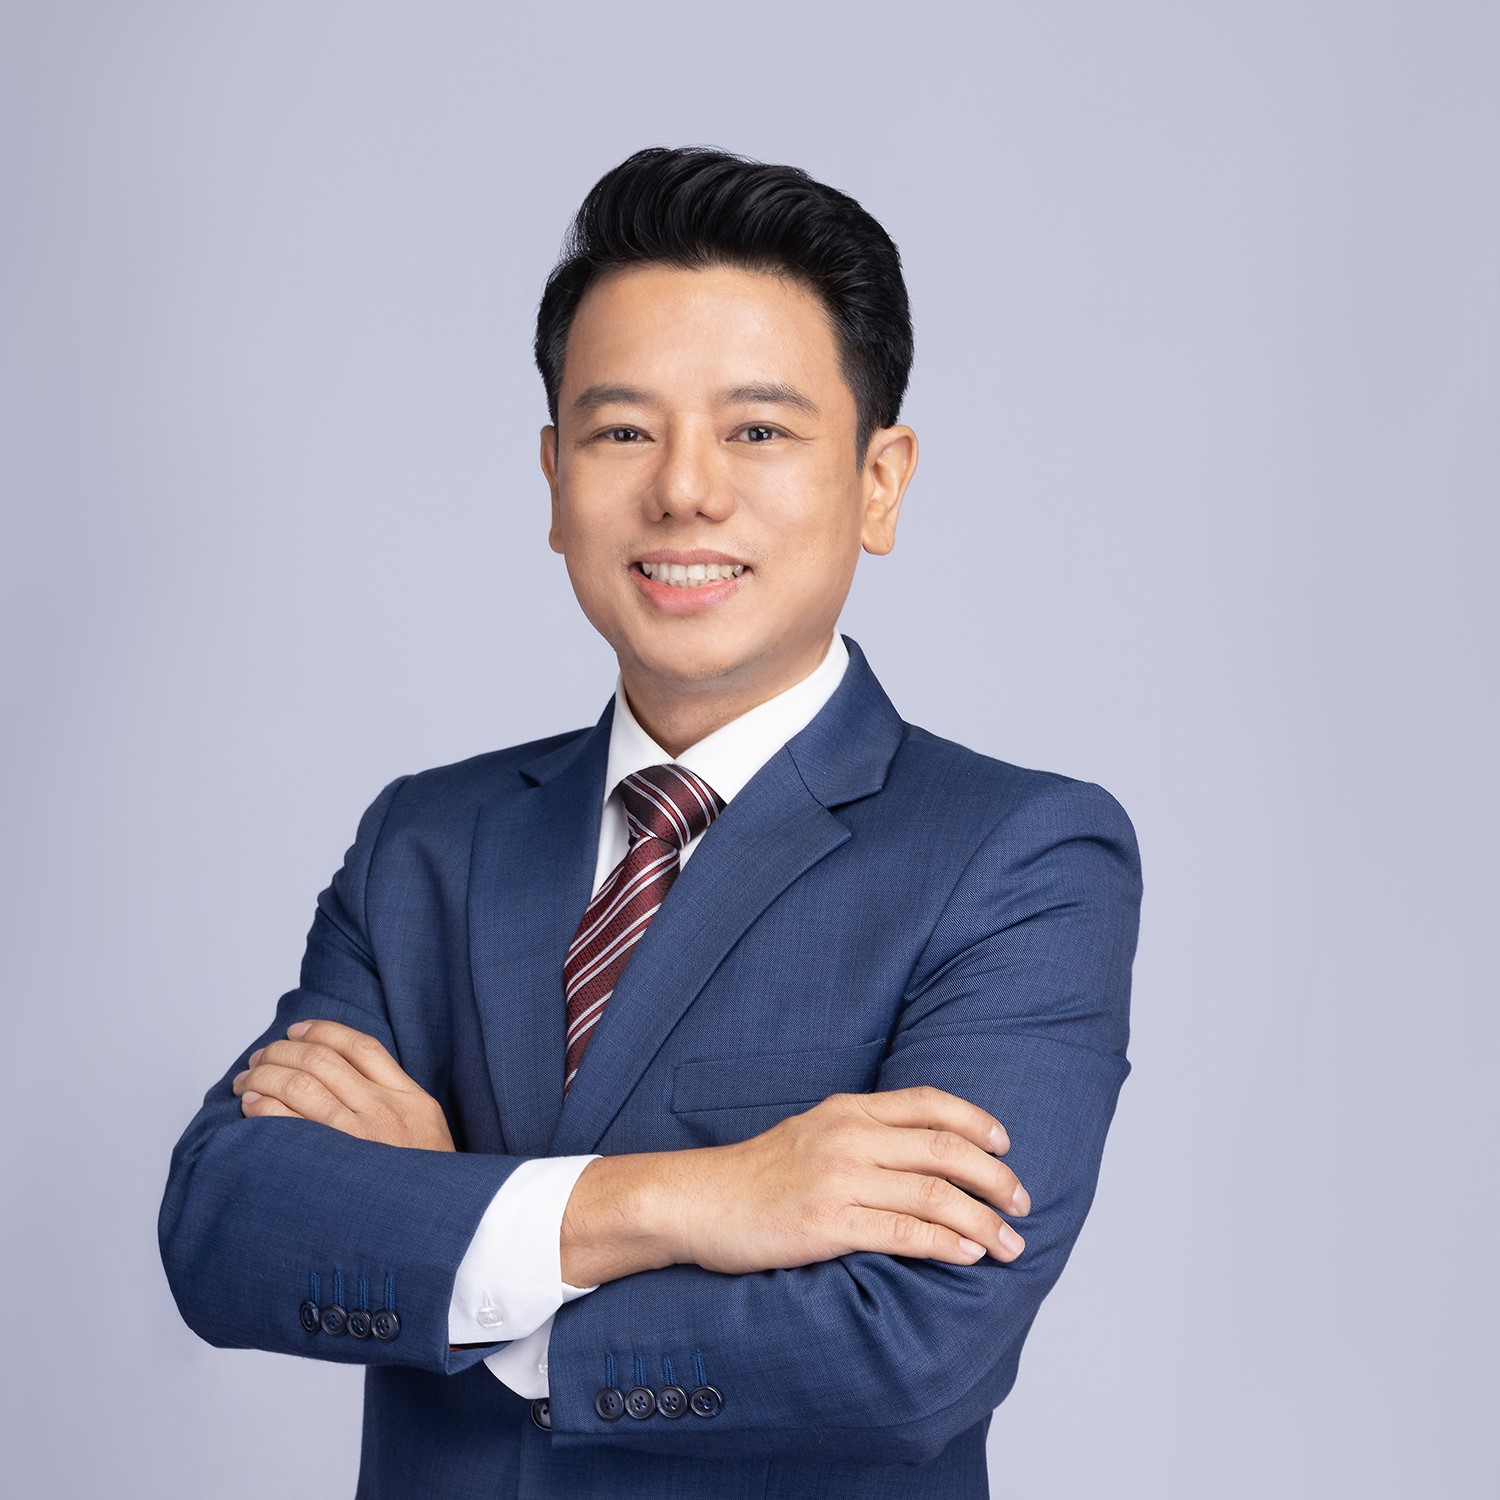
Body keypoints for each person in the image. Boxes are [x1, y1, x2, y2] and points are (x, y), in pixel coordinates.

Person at [159, 145, 1142, 1500]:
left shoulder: (1019, 858)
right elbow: (226, 1233)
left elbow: (906, 1355)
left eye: (758, 431)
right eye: (623, 431)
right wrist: (697, 1198)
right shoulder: (427, 845)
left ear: (880, 481)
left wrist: (464, 1234)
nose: (684, 489)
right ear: (555, 476)